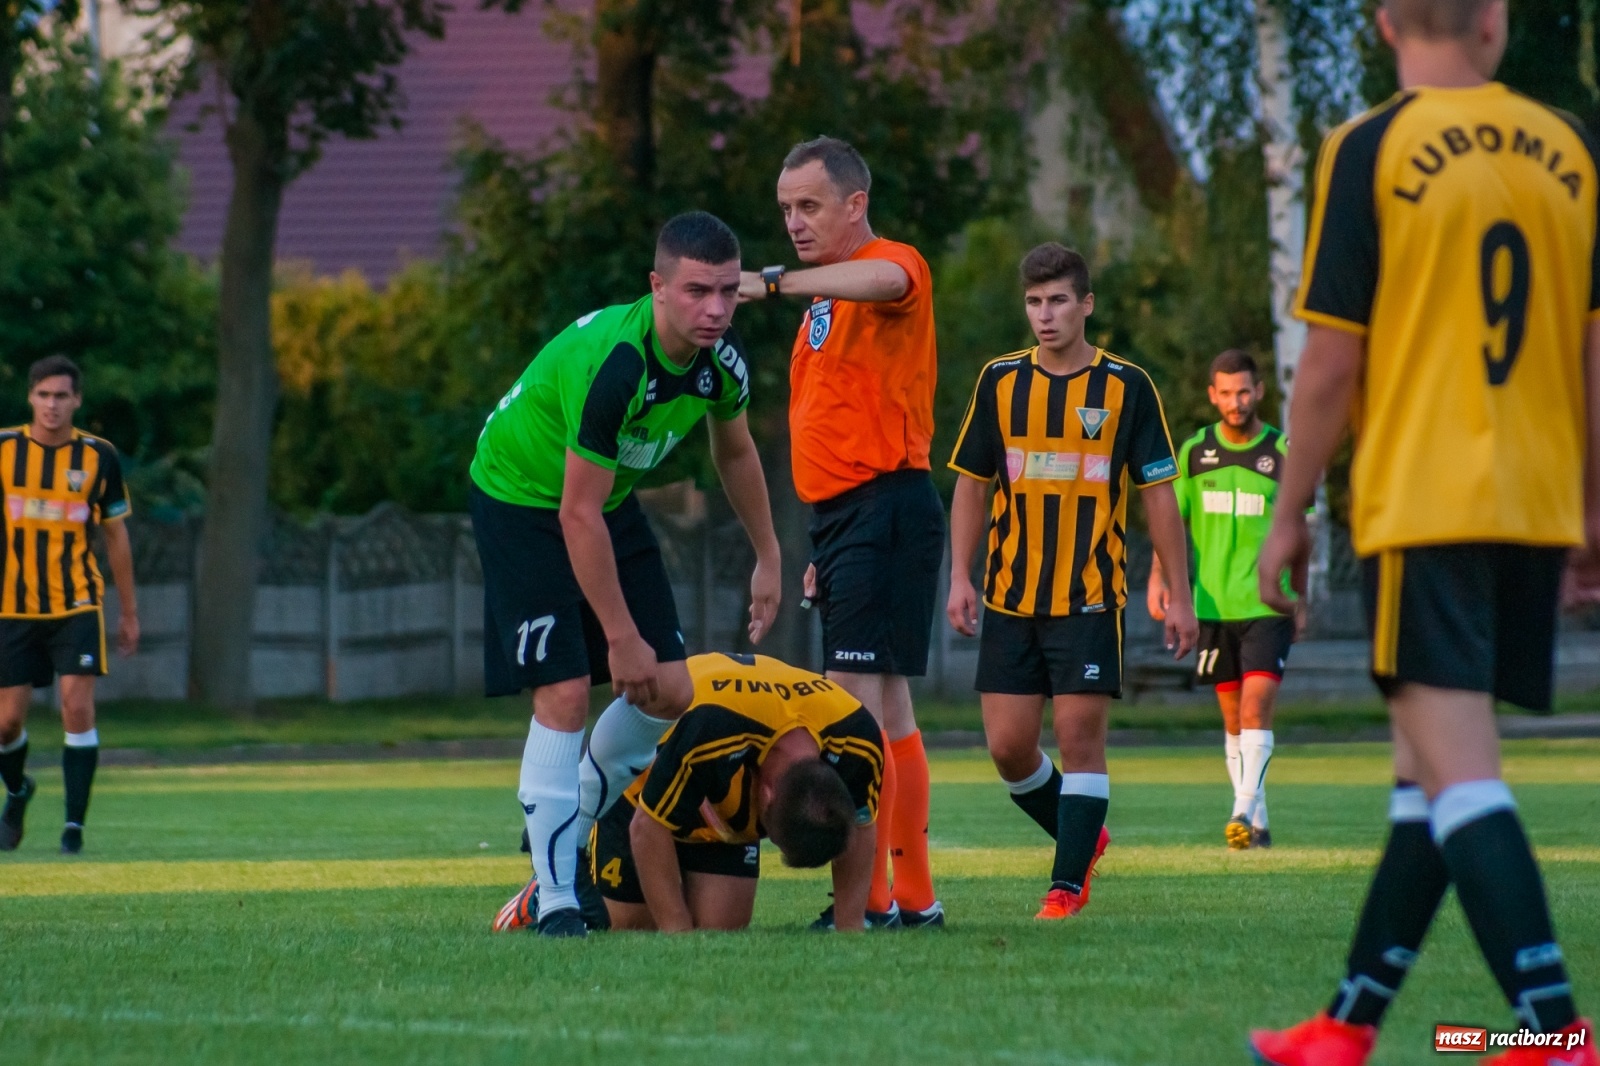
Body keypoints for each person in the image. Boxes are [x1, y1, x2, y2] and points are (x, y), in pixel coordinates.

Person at [1249, 1, 1599, 1062]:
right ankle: (1345, 1027)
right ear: (1492, 19)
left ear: (1383, 20)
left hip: (1431, 498)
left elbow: (1330, 362)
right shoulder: (1569, 149)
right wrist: (1589, 507)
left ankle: (1556, 1036)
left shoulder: (1367, 147)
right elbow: (1592, 347)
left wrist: (1290, 512)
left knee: (1462, 775)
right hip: (1533, 499)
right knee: (1424, 775)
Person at [470, 211, 782, 939]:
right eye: (698, 290)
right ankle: (554, 900)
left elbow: (733, 452)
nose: (715, 309)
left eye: (729, 292)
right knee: (567, 688)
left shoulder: (722, 361)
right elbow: (575, 515)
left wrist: (768, 554)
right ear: (659, 288)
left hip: (599, 499)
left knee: (670, 690)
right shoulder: (618, 365)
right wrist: (619, 636)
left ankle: (565, 821)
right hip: (521, 498)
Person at [946, 243, 1197, 920]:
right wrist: (959, 577)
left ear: (1086, 304)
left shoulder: (1127, 387)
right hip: (1008, 596)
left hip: (1090, 596)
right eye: (1034, 302)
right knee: (1007, 747)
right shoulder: (999, 381)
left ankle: (1064, 886)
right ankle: (1083, 832)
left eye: (1058, 300)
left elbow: (1158, 495)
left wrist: (1179, 592)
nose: (1045, 314)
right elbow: (972, 485)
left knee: (1081, 738)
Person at [737, 136, 944, 928]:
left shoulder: (891, 265)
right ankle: (912, 899)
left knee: (848, 718)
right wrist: (827, 543)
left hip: (884, 504)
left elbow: (886, 277)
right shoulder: (823, 303)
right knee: (887, 715)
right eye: (786, 208)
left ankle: (868, 901)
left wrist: (778, 282)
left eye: (810, 205)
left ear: (855, 205)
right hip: (851, 518)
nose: (794, 220)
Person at [578, 652, 882, 933]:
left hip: (716, 794)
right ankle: (542, 894)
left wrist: (850, 926)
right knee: (631, 923)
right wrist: (678, 932)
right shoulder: (711, 728)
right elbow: (647, 827)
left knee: (721, 924)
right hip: (640, 788)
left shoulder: (858, 738)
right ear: (766, 795)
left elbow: (862, 823)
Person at [1148, 349, 1293, 850]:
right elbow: (1172, 521)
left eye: (1245, 391)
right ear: (1213, 395)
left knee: (1256, 711)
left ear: (1260, 392)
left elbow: (1302, 528)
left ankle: (1238, 810)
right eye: (1227, 393)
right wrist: (1159, 581)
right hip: (1210, 604)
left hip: (1267, 604)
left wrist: (1303, 594)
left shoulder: (1283, 452)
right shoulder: (1193, 453)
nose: (1237, 401)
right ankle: (1259, 822)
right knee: (1233, 721)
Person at [0, 355, 139, 856]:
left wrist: (128, 611)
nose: (52, 405)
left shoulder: (99, 456)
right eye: (44, 395)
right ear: (30, 398)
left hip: (77, 601)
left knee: (75, 707)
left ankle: (73, 829)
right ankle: (18, 792)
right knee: (5, 724)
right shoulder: (4, 449)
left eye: (62, 396)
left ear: (77, 400)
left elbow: (116, 536)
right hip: (13, 606)